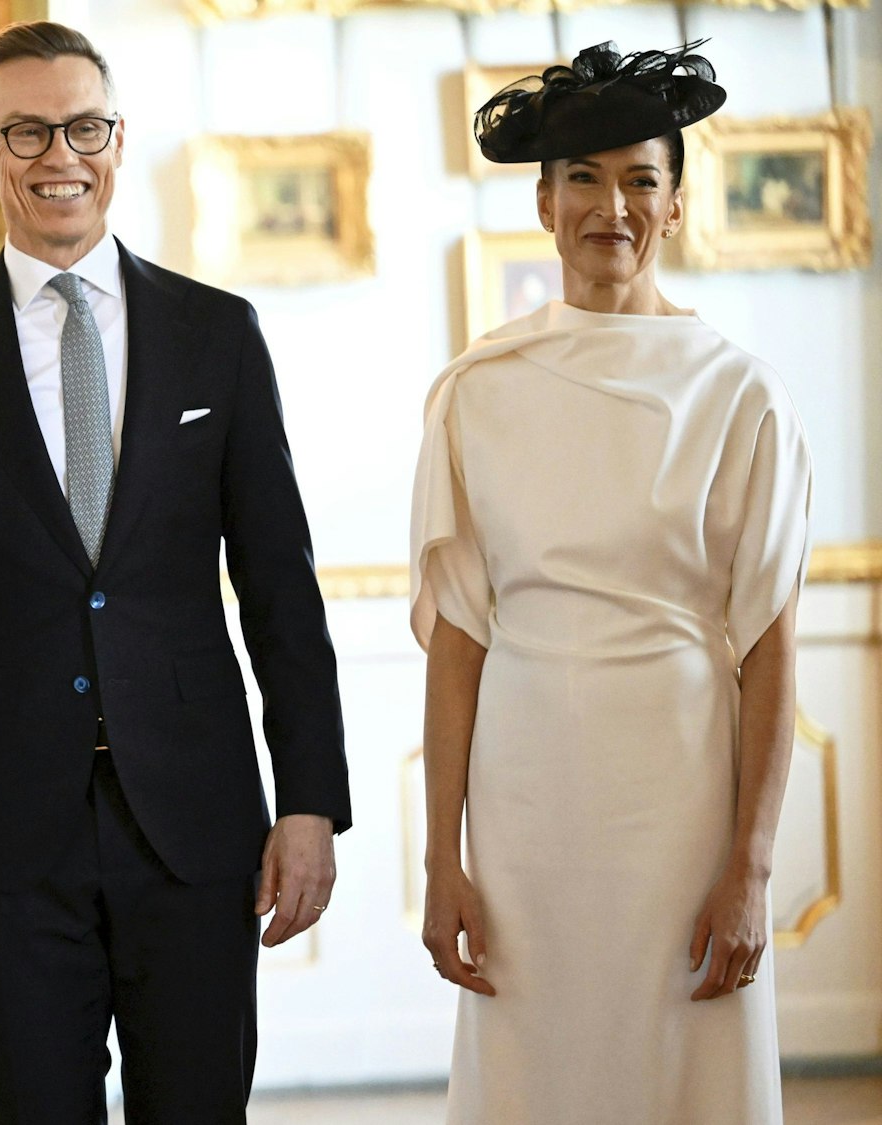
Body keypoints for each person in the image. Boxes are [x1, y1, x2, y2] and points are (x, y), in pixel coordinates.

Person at [0, 22, 351, 1123]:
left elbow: (279, 585)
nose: (56, 156)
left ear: (117, 138)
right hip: (1, 837)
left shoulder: (217, 335)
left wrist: (311, 800)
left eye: (81, 127)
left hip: (195, 824)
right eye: (24, 131)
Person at [413, 41, 809, 1125]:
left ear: (675, 205)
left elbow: (769, 653)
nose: (610, 207)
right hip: (524, 804)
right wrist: (438, 858)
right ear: (541, 203)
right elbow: (458, 643)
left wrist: (751, 869)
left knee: (685, 1070)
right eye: (582, 179)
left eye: (639, 179)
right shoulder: (474, 391)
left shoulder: (741, 395)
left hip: (680, 797)